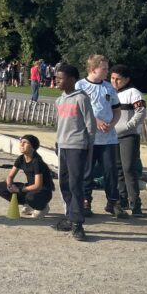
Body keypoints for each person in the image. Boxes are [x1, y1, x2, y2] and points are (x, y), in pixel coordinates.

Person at [77, 55, 126, 218]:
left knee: (110, 170)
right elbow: (78, 110)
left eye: (107, 68)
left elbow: (117, 110)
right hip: (89, 137)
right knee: (87, 171)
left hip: (108, 139)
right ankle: (85, 201)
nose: (107, 72)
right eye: (104, 68)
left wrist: (111, 124)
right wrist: (95, 120)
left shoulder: (108, 88)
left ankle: (113, 202)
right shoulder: (81, 85)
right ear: (93, 69)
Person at [53, 64, 96, 242]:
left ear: (71, 80)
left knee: (75, 184)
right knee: (64, 183)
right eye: (56, 77)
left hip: (77, 146)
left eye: (60, 78)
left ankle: (78, 224)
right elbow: (60, 124)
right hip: (62, 145)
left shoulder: (81, 99)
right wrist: (56, 142)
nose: (57, 80)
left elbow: (90, 125)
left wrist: (88, 147)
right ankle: (70, 217)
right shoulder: (59, 100)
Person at [110, 64, 147, 216]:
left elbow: (141, 113)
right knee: (117, 168)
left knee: (128, 168)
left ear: (127, 79)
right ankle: (122, 199)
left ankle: (135, 202)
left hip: (129, 135)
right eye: (112, 78)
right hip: (113, 136)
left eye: (118, 79)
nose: (114, 82)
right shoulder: (111, 92)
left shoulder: (134, 93)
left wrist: (128, 126)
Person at [0, 135, 54, 218]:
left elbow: (38, 186)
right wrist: (9, 185)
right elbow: (10, 176)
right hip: (30, 188)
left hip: (43, 191)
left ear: (32, 147)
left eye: (25, 142)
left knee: (31, 197)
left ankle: (43, 207)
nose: (21, 144)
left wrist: (19, 189)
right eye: (21, 142)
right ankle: (28, 205)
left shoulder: (37, 162)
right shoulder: (21, 159)